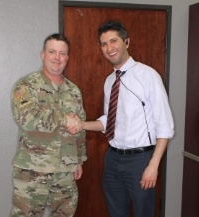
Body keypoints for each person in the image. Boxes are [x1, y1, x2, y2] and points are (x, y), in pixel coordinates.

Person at [66, 21, 174, 217]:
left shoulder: (148, 76)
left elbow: (165, 127)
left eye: (113, 41)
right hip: (113, 159)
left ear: (127, 42)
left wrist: (153, 166)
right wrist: (81, 125)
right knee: (116, 213)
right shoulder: (110, 81)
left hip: (140, 161)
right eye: (104, 44)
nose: (109, 48)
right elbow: (109, 121)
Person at [10, 33, 87, 217]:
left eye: (62, 53)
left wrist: (79, 160)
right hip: (32, 171)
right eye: (52, 52)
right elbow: (27, 119)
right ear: (42, 54)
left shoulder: (73, 91)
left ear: (67, 58)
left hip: (65, 172)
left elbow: (79, 127)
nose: (57, 58)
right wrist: (63, 119)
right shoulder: (26, 86)